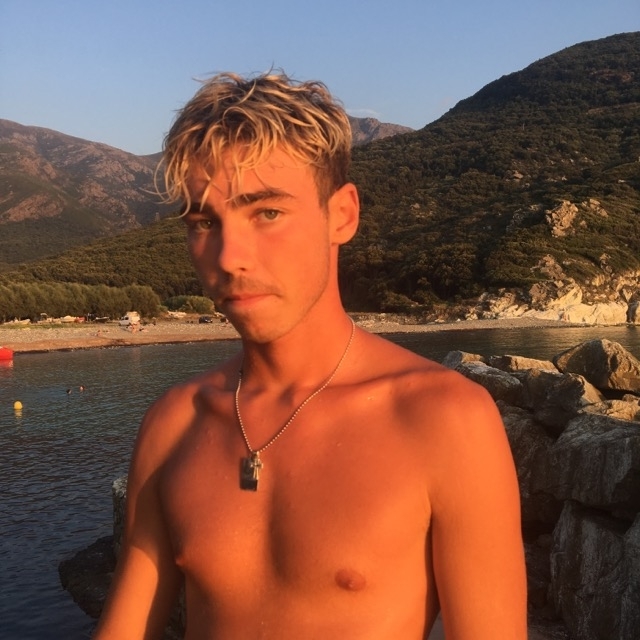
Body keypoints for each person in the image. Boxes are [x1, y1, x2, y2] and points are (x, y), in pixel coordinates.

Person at [93, 71, 526, 639]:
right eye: (203, 223)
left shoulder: (444, 420)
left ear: (341, 215)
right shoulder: (174, 424)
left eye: (267, 212)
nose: (229, 257)